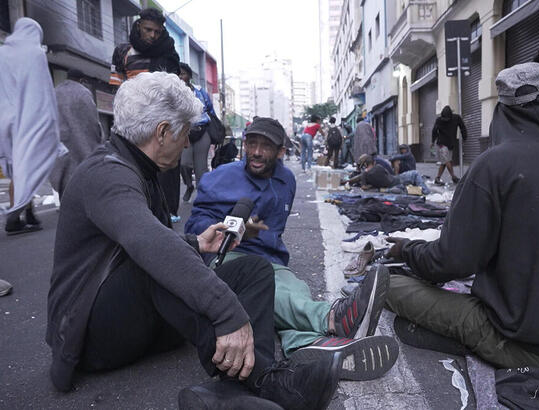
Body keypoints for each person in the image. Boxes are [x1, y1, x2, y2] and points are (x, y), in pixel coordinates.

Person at [46, 72, 342, 410]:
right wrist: (229, 314)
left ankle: (232, 390)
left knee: (256, 270)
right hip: (90, 339)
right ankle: (269, 382)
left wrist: (195, 242)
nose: (188, 144)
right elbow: (149, 247)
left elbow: (142, 242)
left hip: (140, 322)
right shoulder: (106, 174)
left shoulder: (141, 169)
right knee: (158, 265)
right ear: (162, 132)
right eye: (185, 133)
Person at [385, 62, 539, 370]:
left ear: (502, 111)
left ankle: (468, 343)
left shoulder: (493, 166)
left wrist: (406, 250)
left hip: (527, 344)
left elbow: (450, 262)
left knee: (390, 285)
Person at [186, 117, 398, 381]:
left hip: (271, 260)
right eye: (251, 144)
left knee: (295, 290)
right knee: (273, 292)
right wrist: (232, 226)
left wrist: (260, 235)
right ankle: (334, 317)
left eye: (265, 146)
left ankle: (309, 347)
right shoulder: (219, 178)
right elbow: (194, 228)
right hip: (229, 257)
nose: (256, 152)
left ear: (281, 151)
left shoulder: (287, 179)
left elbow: (275, 231)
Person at [109, 8, 182, 222]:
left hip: (161, 119)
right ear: (139, 26)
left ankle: (167, 212)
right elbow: (117, 88)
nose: (152, 36)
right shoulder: (122, 52)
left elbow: (172, 89)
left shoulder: (168, 53)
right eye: (148, 30)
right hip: (131, 121)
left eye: (157, 32)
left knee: (165, 166)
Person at [0, 18, 60, 235]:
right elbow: (42, 90)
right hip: (27, 119)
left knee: (18, 169)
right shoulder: (35, 53)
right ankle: (14, 217)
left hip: (4, 118)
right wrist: (51, 122)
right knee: (29, 166)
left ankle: (29, 213)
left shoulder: (3, 53)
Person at [49, 69, 103, 198]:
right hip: (82, 145)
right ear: (82, 80)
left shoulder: (55, 92)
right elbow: (93, 121)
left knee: (65, 188)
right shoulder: (83, 93)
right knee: (85, 190)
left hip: (61, 146)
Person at [178, 63, 214, 202]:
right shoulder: (174, 92)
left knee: (201, 169)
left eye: (183, 74)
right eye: (178, 74)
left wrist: (214, 131)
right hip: (184, 132)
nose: (181, 77)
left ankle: (202, 199)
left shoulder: (200, 91)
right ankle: (188, 185)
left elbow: (210, 110)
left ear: (189, 76)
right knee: (184, 164)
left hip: (202, 132)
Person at [345, 154, 430, 195]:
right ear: (373, 162)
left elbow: (360, 183)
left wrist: (346, 182)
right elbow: (388, 174)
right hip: (397, 180)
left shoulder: (364, 175)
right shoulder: (378, 167)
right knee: (415, 173)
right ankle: (425, 191)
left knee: (408, 184)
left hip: (392, 185)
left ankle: (416, 189)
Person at [431, 105, 467, 185]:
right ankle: (453, 177)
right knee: (447, 160)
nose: (445, 120)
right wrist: (432, 141)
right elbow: (434, 131)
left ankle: (437, 178)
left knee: (444, 162)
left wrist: (464, 137)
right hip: (441, 144)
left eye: (447, 119)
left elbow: (462, 127)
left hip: (450, 143)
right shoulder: (439, 120)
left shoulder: (456, 118)